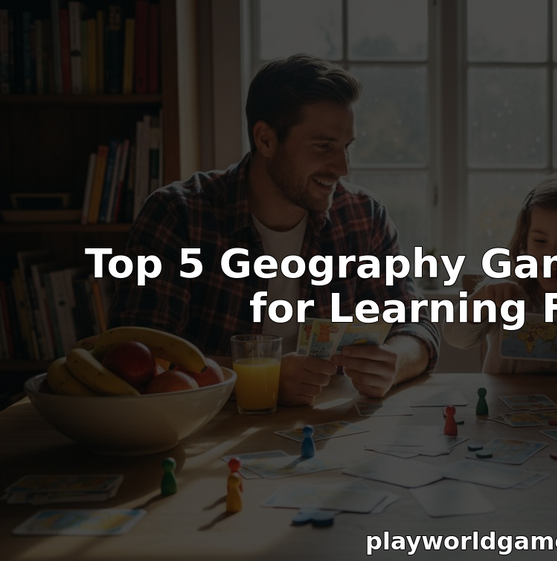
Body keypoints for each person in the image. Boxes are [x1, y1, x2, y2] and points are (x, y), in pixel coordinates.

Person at [108, 54, 439, 405]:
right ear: (265, 139)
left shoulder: (364, 216)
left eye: (346, 147)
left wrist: (395, 362)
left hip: (328, 427)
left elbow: (418, 327)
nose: (343, 167)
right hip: (212, 429)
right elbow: (140, 358)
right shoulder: (177, 214)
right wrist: (261, 377)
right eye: (323, 146)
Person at [443, 173, 557, 378]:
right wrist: (481, 299)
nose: (552, 256)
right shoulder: (504, 285)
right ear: (524, 239)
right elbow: (455, 337)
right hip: (502, 398)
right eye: (540, 241)